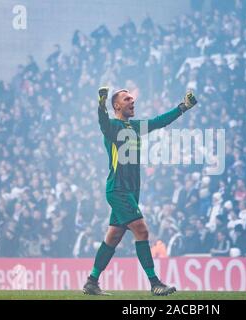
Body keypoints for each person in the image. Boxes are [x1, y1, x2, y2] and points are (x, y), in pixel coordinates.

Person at [83, 87, 197, 296]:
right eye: (127, 99)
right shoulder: (112, 126)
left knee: (114, 236)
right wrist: (101, 103)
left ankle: (92, 281)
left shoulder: (133, 126)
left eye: (133, 98)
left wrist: (183, 107)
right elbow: (102, 122)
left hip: (131, 190)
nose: (132, 101)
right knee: (142, 230)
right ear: (116, 105)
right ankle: (154, 283)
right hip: (118, 189)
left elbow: (159, 121)